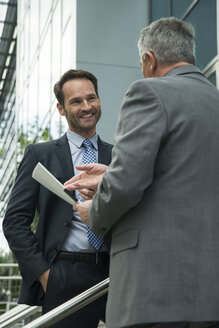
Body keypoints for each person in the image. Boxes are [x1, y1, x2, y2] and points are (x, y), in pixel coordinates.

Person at [65, 18, 219, 328]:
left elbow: (125, 185)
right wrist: (111, 172)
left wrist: (92, 210)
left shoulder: (148, 92)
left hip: (153, 291)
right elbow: (185, 175)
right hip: (209, 295)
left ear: (149, 59)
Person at [3, 69, 113, 328]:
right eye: (76, 101)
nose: (87, 107)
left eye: (91, 98)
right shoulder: (40, 154)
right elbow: (14, 222)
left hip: (114, 272)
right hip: (63, 273)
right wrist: (45, 275)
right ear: (61, 109)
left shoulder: (120, 156)